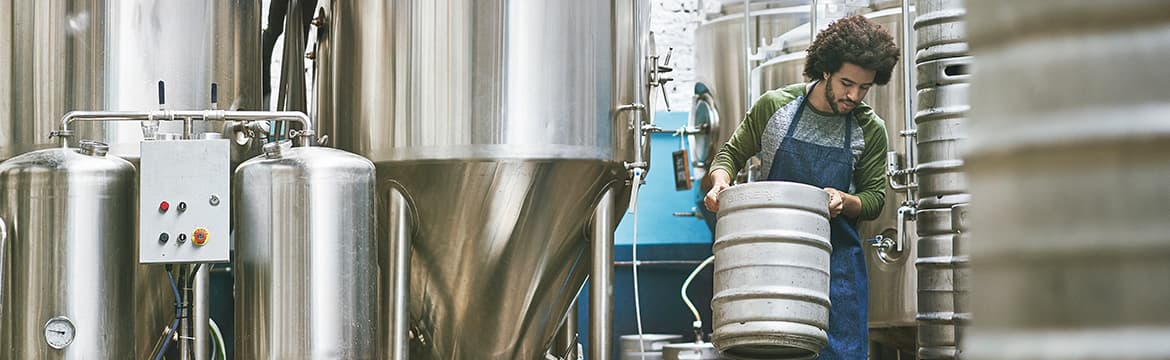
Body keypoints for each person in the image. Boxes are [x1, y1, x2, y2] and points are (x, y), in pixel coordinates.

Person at [703, 15, 899, 359]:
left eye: (864, 87)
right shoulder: (775, 107)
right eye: (846, 83)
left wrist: (844, 200)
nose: (854, 95)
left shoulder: (870, 128)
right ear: (825, 70)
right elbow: (729, 155)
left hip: (837, 272)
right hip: (770, 265)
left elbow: (874, 200)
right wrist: (720, 184)